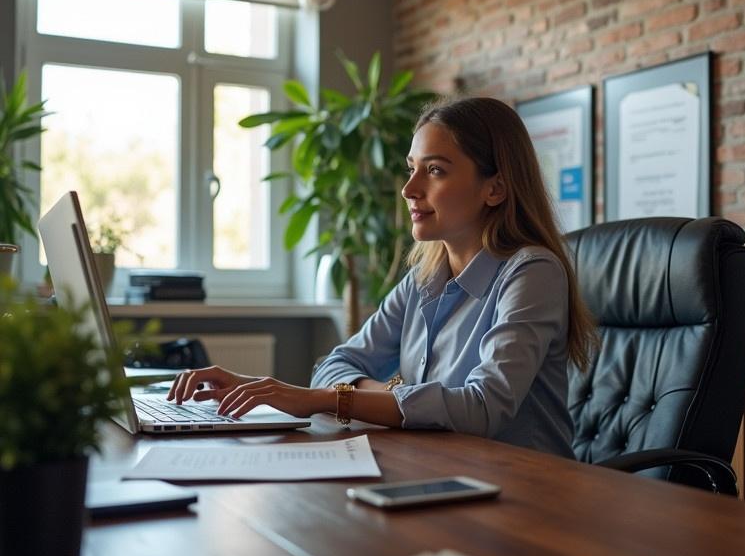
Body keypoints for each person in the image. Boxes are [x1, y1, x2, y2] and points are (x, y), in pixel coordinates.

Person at [168, 96, 596, 457]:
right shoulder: (424, 277)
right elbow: (333, 365)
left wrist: (332, 400)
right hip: (441, 469)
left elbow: (483, 407)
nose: (409, 189)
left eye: (435, 170)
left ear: (495, 189)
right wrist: (377, 396)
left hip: (527, 492)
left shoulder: (532, 271)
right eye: (412, 168)